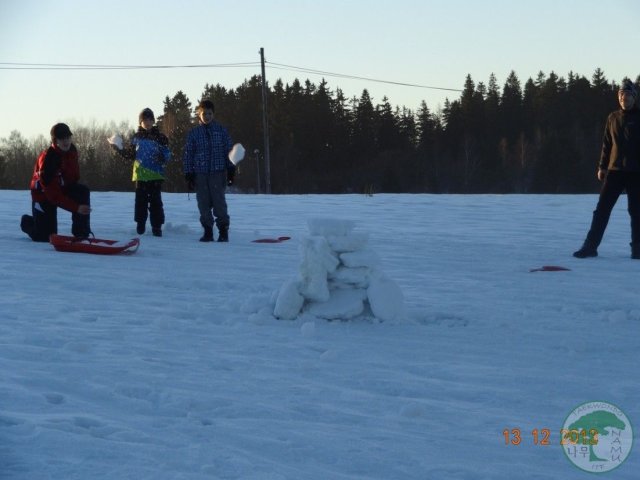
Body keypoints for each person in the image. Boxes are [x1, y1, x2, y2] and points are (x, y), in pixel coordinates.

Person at [574, 79, 640, 259]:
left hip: (636, 173)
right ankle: (590, 246)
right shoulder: (613, 118)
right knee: (601, 210)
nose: (623, 98)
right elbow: (607, 144)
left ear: (634, 97)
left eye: (627, 95)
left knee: (636, 212)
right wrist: (602, 166)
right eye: (620, 95)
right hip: (614, 171)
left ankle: (637, 249)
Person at [20, 123, 91, 242]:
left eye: (68, 138)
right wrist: (76, 207)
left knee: (82, 191)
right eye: (62, 139)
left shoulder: (72, 151)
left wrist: (79, 208)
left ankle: (81, 234)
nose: (66, 141)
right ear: (55, 140)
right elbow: (52, 195)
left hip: (60, 189)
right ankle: (27, 222)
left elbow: (74, 178)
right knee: (45, 237)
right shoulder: (48, 159)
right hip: (43, 195)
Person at [110, 108, 171, 236]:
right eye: (144, 120)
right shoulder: (136, 138)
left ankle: (157, 226)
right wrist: (119, 149)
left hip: (155, 175)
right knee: (140, 203)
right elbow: (130, 155)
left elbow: (167, 153)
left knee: (156, 203)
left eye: (150, 120)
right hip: (141, 176)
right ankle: (140, 223)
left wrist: (162, 157)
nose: (147, 122)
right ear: (140, 122)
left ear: (153, 121)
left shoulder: (160, 137)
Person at [182, 99, 236, 242]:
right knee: (203, 203)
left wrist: (231, 169)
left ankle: (223, 231)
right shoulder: (194, 133)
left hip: (218, 173)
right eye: (204, 114)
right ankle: (207, 231)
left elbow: (229, 150)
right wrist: (189, 174)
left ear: (214, 114)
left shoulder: (221, 130)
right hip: (200, 174)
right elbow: (188, 154)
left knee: (219, 203)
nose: (207, 116)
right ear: (199, 114)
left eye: (210, 113)